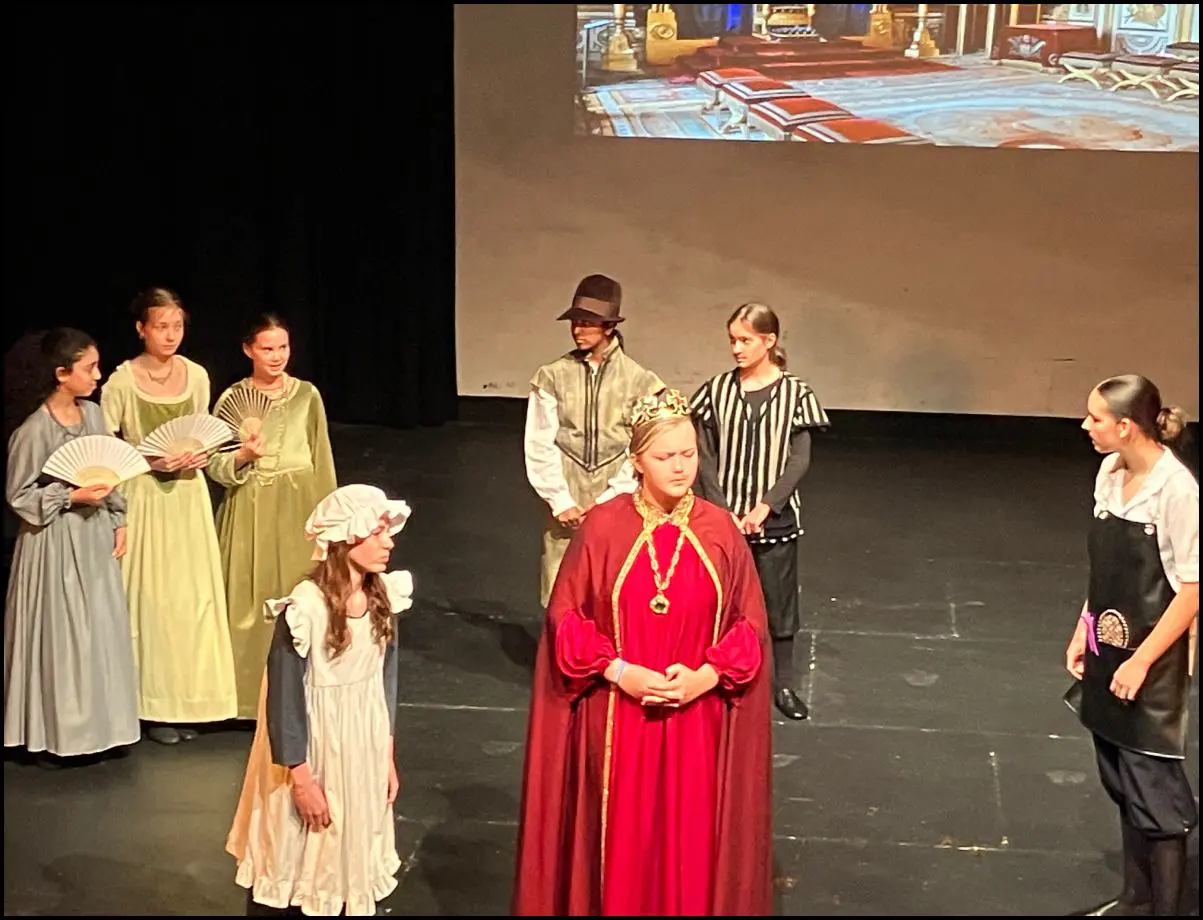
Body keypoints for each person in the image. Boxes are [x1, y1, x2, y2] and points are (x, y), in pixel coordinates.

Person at [513, 389, 774, 916]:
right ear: (636, 461)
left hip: (696, 722)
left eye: (688, 454)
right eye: (664, 456)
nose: (680, 467)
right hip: (620, 717)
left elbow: (750, 626)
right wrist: (618, 670)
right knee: (621, 843)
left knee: (691, 843)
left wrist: (706, 676)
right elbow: (566, 618)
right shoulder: (604, 527)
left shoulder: (720, 531)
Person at [225, 484, 413, 917]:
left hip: (360, 745)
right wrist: (302, 780)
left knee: (346, 856)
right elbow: (283, 699)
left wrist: (385, 754)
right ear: (346, 537)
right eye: (377, 532)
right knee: (296, 850)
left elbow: (385, 679)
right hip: (311, 750)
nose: (389, 542)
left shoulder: (384, 595)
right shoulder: (305, 607)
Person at [1065, 374, 1198, 918]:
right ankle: (1135, 900)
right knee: (1120, 774)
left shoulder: (1176, 490)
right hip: (1108, 646)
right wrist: (1084, 625)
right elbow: (1106, 568)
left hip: (1150, 658)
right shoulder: (1110, 471)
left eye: (1095, 418)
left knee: (1155, 787)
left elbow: (1192, 589)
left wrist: (1142, 662)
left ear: (1125, 426)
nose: (1085, 425)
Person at [100, 287, 237, 744]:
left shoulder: (196, 376)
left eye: (177, 326)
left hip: (187, 496)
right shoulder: (121, 382)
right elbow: (106, 445)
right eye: (161, 326)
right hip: (145, 496)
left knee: (189, 600)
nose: (171, 335)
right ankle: (148, 705)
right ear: (141, 329)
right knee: (151, 600)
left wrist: (199, 455)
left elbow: (202, 433)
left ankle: (189, 701)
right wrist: (148, 460)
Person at [4, 328, 140, 765]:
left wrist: (118, 518)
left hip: (93, 535)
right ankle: (59, 733)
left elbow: (110, 473)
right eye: (89, 368)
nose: (97, 376)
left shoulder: (94, 416)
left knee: (99, 631)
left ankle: (105, 729)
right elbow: (19, 496)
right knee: (62, 637)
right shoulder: (35, 430)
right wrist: (68, 496)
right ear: (62, 374)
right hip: (54, 542)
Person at [690, 303, 829, 721]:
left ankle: (782, 683)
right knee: (720, 599)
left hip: (774, 518)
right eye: (733, 340)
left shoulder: (795, 394)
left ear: (769, 341)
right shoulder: (716, 391)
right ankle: (717, 675)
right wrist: (722, 509)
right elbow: (705, 455)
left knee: (778, 601)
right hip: (724, 517)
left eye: (746, 340)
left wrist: (767, 505)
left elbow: (799, 460)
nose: (737, 348)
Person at [209, 314, 338, 720]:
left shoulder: (307, 396)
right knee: (247, 600)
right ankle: (244, 703)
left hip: (298, 505)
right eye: (267, 348)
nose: (277, 356)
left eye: (283, 347)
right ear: (248, 350)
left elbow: (321, 457)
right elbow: (214, 463)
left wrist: (330, 521)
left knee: (299, 597)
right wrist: (243, 457)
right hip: (251, 507)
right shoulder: (232, 399)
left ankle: (299, 699)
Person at [524, 273, 666, 609]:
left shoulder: (640, 382)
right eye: (575, 322)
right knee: (561, 591)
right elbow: (539, 442)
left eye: (587, 323)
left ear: (608, 327)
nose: (578, 330)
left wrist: (608, 500)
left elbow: (641, 447)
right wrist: (561, 500)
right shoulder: (552, 376)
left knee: (612, 588)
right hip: (568, 496)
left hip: (618, 498)